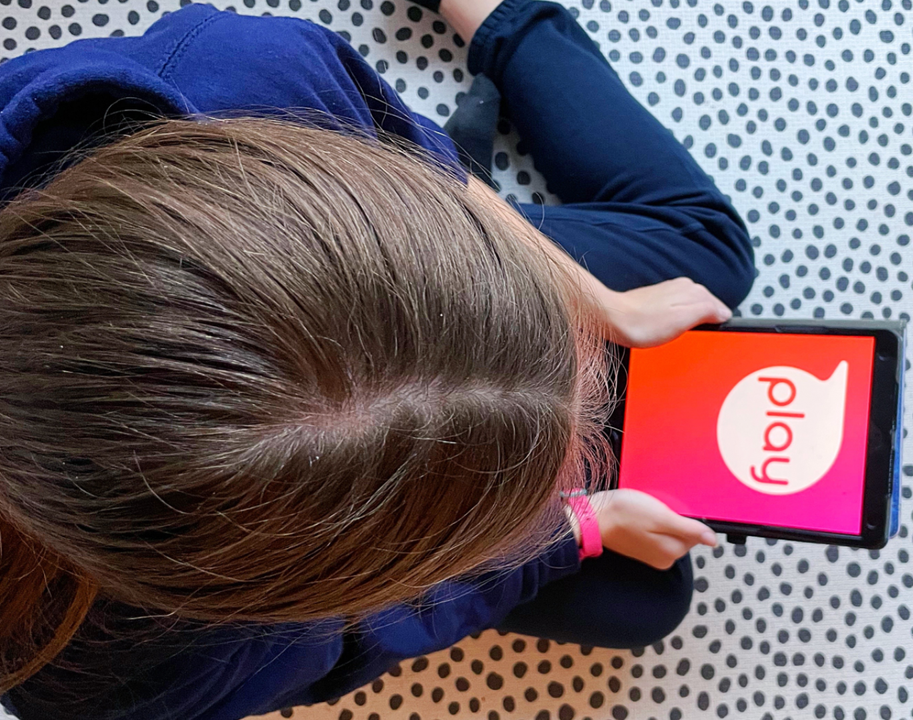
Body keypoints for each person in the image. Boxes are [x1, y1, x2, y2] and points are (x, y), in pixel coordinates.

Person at [0, 0, 755, 717]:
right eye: (502, 519)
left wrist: (598, 303)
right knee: (651, 598)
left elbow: (423, 162)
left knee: (706, 259)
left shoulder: (249, 79)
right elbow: (357, 640)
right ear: (316, 587)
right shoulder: (126, 683)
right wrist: (578, 531)